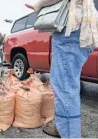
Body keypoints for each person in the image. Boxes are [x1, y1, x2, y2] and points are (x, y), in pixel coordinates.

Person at [33, 0, 97, 138]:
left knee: (65, 87)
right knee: (67, 85)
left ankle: (69, 134)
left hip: (71, 27)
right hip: (83, 25)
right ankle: (63, 128)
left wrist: (38, 5)